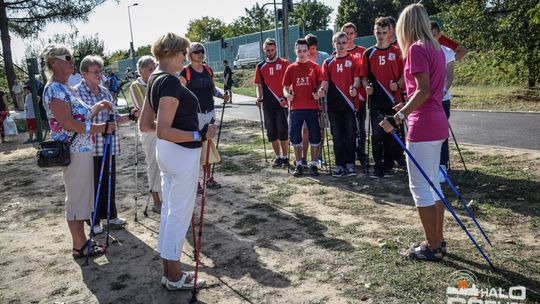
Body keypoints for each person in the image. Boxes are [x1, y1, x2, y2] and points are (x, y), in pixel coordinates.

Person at [139, 32, 215, 290]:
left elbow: (145, 124)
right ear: (171, 53)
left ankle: (169, 272)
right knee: (178, 216)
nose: (185, 57)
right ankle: (173, 276)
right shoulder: (170, 82)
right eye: (183, 52)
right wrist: (198, 134)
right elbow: (161, 129)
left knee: (171, 214)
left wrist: (183, 134)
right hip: (180, 154)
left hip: (168, 154)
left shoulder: (154, 79)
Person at [379, 4, 448, 261]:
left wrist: (399, 116)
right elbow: (426, 92)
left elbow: (423, 91)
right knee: (433, 184)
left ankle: (432, 246)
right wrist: (406, 105)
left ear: (404, 26)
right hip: (436, 120)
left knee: (420, 186)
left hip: (424, 125)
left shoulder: (417, 48)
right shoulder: (436, 47)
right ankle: (437, 240)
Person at [41, 44, 115, 258]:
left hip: (81, 148)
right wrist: (102, 128)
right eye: (67, 57)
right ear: (53, 62)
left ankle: (82, 243)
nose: (72, 61)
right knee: (76, 198)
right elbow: (67, 123)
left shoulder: (64, 87)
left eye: (72, 57)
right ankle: (79, 245)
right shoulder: (55, 88)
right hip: (73, 150)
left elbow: (81, 116)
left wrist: (99, 106)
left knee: (82, 197)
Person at [75, 55, 137, 234]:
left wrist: (131, 116)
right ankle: (93, 220)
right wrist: (99, 107)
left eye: (100, 71)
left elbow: (115, 118)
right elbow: (80, 119)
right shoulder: (77, 92)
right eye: (95, 72)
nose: (99, 75)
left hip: (109, 143)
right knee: (93, 183)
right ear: (83, 73)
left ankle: (110, 215)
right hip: (90, 146)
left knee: (109, 180)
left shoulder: (105, 91)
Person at [179, 42, 229, 189]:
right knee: (195, 146)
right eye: (196, 51)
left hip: (210, 112)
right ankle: (195, 181)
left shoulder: (208, 69)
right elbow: (181, 93)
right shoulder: (185, 72)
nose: (200, 54)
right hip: (194, 114)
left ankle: (208, 178)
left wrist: (222, 95)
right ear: (189, 54)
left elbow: (213, 89)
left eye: (201, 51)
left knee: (207, 145)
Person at [363, 17, 405, 178]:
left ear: (390, 32)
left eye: (383, 32)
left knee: (391, 134)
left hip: (393, 100)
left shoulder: (397, 51)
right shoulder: (368, 53)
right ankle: (377, 166)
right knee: (376, 134)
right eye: (378, 32)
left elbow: (404, 75)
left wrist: (399, 84)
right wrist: (367, 86)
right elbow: (364, 76)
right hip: (376, 100)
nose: (380, 35)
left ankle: (389, 165)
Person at [318, 32, 362, 177]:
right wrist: (322, 90)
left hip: (349, 104)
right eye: (338, 43)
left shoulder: (354, 59)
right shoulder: (328, 62)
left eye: (344, 42)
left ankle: (350, 164)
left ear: (348, 43)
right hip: (333, 105)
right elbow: (324, 82)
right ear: (333, 44)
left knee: (350, 136)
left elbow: (357, 79)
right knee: (337, 136)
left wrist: (355, 88)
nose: (341, 45)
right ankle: (339, 165)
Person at [282, 38, 322, 177]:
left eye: (305, 51)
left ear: (308, 52)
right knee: (295, 136)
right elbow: (285, 88)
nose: (302, 53)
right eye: (299, 51)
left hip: (312, 106)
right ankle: (299, 164)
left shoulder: (315, 67)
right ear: (295, 51)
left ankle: (314, 164)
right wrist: (287, 95)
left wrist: (319, 93)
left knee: (315, 135)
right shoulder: (290, 68)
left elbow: (321, 85)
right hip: (296, 108)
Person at [129, 55, 161, 213]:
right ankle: (156, 200)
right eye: (150, 69)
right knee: (153, 162)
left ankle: (166, 197)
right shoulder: (136, 86)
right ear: (141, 71)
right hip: (149, 129)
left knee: (166, 162)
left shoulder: (159, 82)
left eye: (155, 67)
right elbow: (143, 110)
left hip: (163, 126)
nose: (154, 70)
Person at [255, 38, 290, 168]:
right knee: (271, 132)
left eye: (272, 50)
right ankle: (278, 156)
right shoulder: (260, 66)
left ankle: (285, 157)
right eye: (268, 50)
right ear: (264, 50)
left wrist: (287, 97)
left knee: (283, 131)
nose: (270, 52)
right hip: (268, 104)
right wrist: (259, 98)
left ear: (276, 49)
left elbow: (289, 84)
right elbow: (259, 85)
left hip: (281, 103)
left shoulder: (285, 63)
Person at [341, 22, 369, 167]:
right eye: (346, 33)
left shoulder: (363, 51)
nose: (349, 36)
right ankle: (348, 154)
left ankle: (362, 153)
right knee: (347, 129)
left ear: (355, 35)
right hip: (343, 99)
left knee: (361, 127)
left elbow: (365, 75)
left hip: (360, 97)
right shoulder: (338, 52)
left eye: (351, 33)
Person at [431, 21, 456, 183]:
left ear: (440, 35)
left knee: (441, 132)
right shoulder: (422, 51)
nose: (431, 38)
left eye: (434, 35)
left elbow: (450, 76)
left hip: (442, 99)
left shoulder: (447, 52)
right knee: (428, 133)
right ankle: (431, 163)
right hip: (427, 99)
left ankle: (442, 164)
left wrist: (444, 91)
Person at [305, 33, 330, 166]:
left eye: (314, 48)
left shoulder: (324, 57)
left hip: (321, 96)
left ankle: (320, 154)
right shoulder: (303, 57)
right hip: (307, 98)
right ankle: (307, 155)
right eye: (309, 49)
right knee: (307, 128)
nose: (311, 51)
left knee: (322, 126)